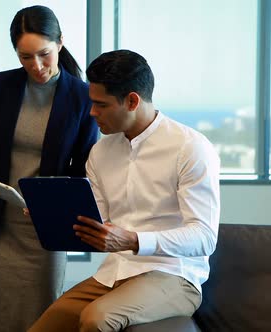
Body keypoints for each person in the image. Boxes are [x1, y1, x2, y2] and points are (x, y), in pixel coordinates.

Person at [28, 49, 221, 332]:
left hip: (173, 275)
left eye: (101, 105)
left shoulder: (191, 147)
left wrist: (133, 240)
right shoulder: (100, 152)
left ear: (132, 101)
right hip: (114, 273)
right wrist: (51, 212)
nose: (92, 112)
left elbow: (204, 237)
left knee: (97, 318)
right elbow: (99, 219)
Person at [0, 5, 99, 332]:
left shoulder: (82, 97)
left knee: (41, 311)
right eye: (25, 57)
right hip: (0, 218)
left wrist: (57, 204)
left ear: (60, 44)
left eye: (44, 54)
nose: (36, 66)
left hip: (46, 223)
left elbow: (83, 168)